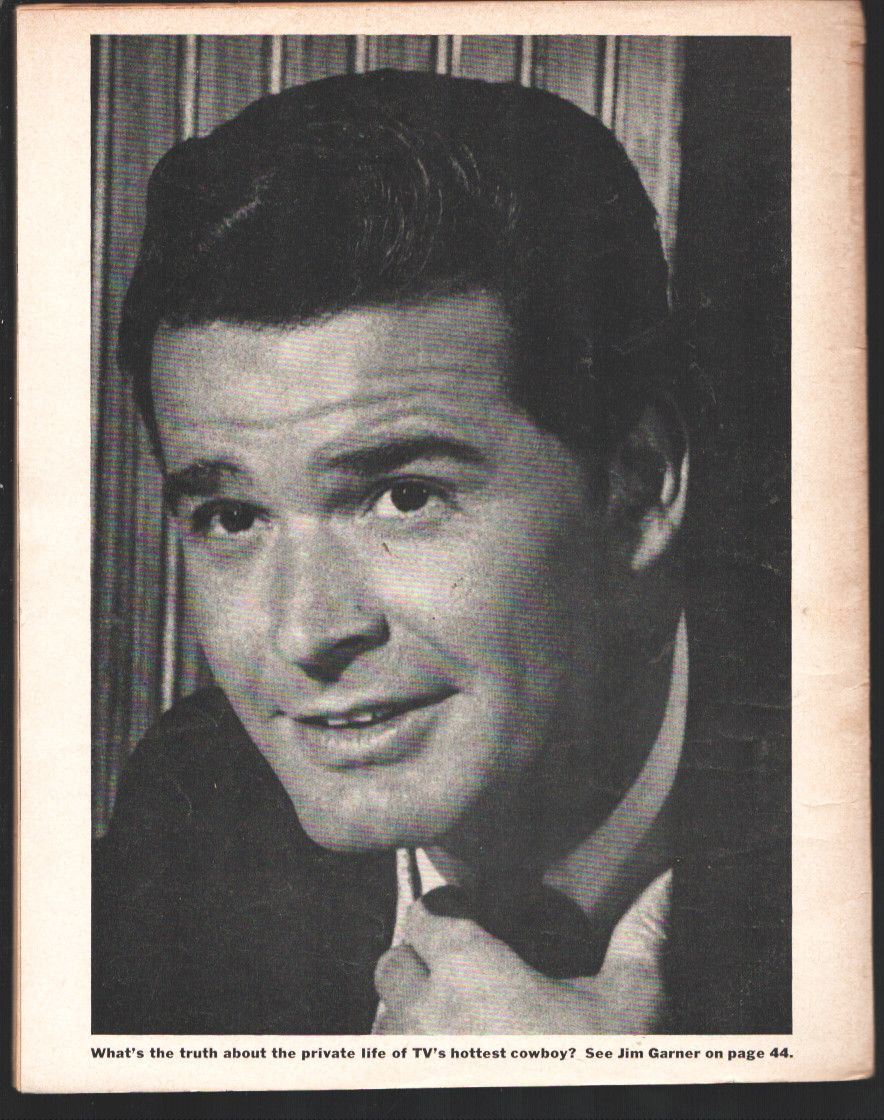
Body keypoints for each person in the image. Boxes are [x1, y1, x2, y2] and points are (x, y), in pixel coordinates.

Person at [92, 69, 789, 1035]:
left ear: (636, 487)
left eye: (404, 497)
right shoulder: (193, 810)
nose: (306, 633)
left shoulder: (828, 839)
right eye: (233, 517)